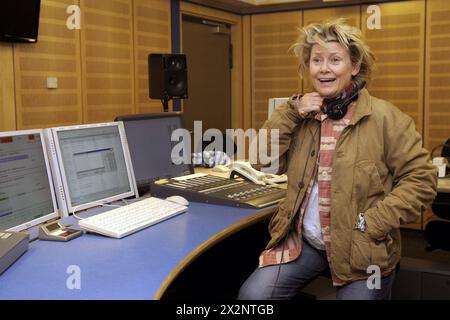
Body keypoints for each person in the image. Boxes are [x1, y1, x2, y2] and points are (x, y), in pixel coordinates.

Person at [238, 18, 437, 300]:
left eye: (335, 59)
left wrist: (374, 222)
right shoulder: (301, 116)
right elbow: (260, 162)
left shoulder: (386, 118)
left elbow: (422, 180)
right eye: (316, 60)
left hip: (362, 246)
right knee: (252, 297)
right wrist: (290, 112)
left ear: (354, 67)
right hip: (306, 243)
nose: (324, 68)